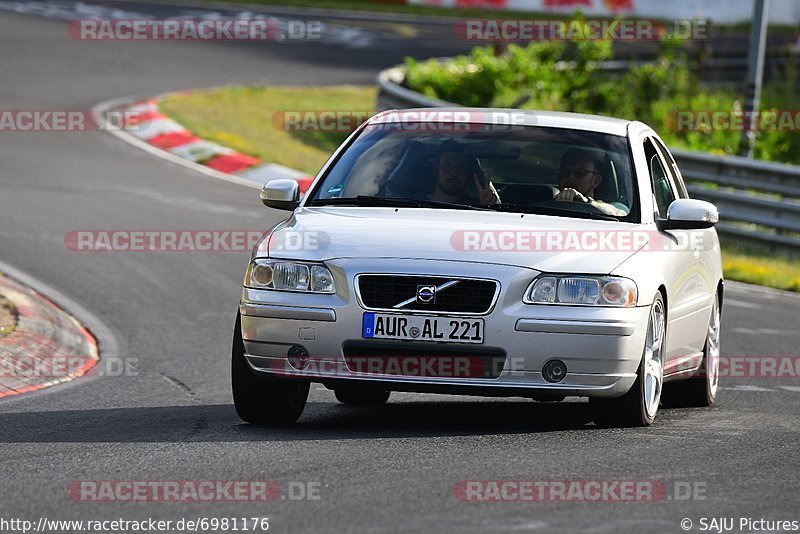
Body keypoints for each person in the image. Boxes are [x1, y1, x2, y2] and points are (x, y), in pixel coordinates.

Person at [554, 148, 628, 217]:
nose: (570, 177)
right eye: (564, 172)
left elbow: (621, 213)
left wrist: (587, 202)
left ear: (596, 181)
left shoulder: (614, 206)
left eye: (579, 173)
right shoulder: (544, 205)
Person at [427, 140, 500, 205]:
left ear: (469, 174)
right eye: (447, 166)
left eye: (461, 168)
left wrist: (487, 207)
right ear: (436, 170)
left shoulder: (477, 206)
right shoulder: (416, 203)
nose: (454, 173)